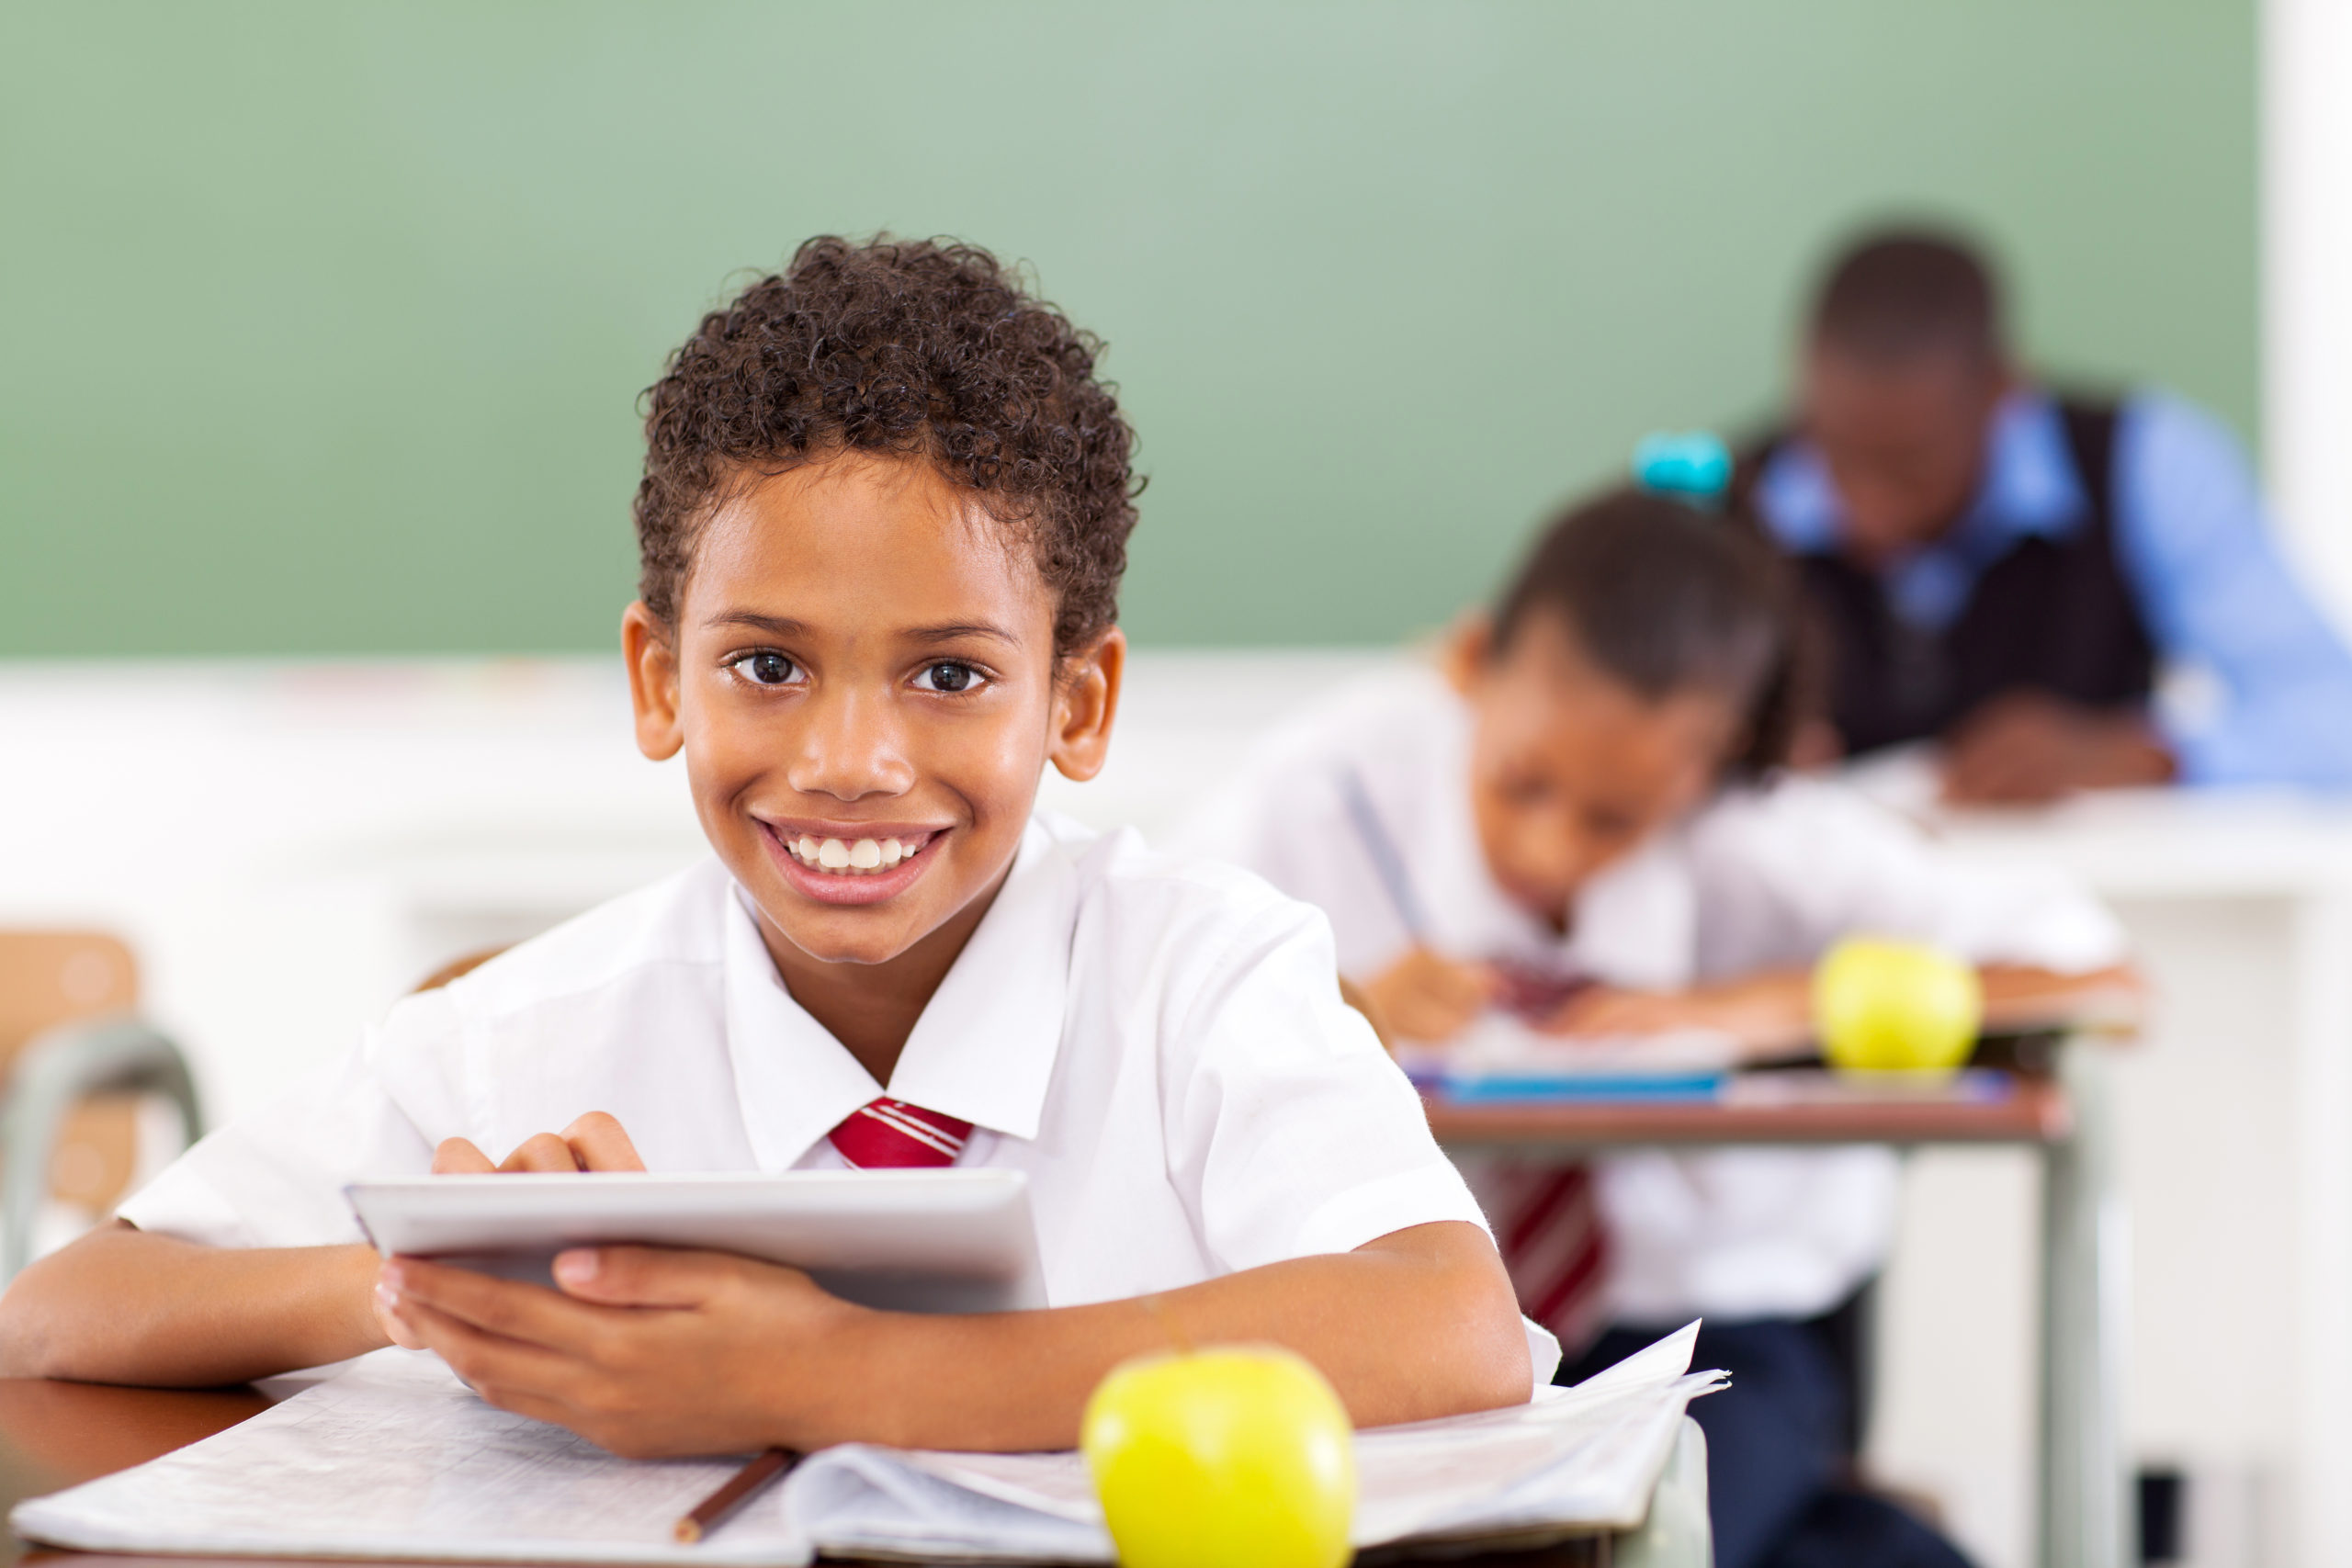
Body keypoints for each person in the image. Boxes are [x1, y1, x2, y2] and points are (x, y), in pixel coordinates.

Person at [0, 236, 1539, 1456]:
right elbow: (65, 1310)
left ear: (1079, 701)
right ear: (660, 679)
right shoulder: (538, 1029)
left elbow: (1448, 1322)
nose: (849, 763)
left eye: (950, 674)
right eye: (767, 665)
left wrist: (835, 1369)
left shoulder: (1203, 977)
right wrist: (452, 1285)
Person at [1179, 486, 2132, 1568]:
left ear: (1711, 771)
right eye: (1521, 785)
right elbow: (1147, 972)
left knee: (1649, 1522)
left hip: (1707, 1340)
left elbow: (2094, 969)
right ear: (1469, 663)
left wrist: (1760, 1004)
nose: (1548, 848)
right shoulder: (1332, 784)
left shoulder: (1758, 833)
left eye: (1613, 819)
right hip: (1421, 1322)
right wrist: (1344, 1006)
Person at [1734, 226, 2352, 803]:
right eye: (1835, 455)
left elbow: (2333, 716)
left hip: (2100, 894)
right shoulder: (1730, 506)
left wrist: (2152, 753)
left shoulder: (2142, 466)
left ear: (2004, 392)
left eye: (1910, 466)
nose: (1863, 510)